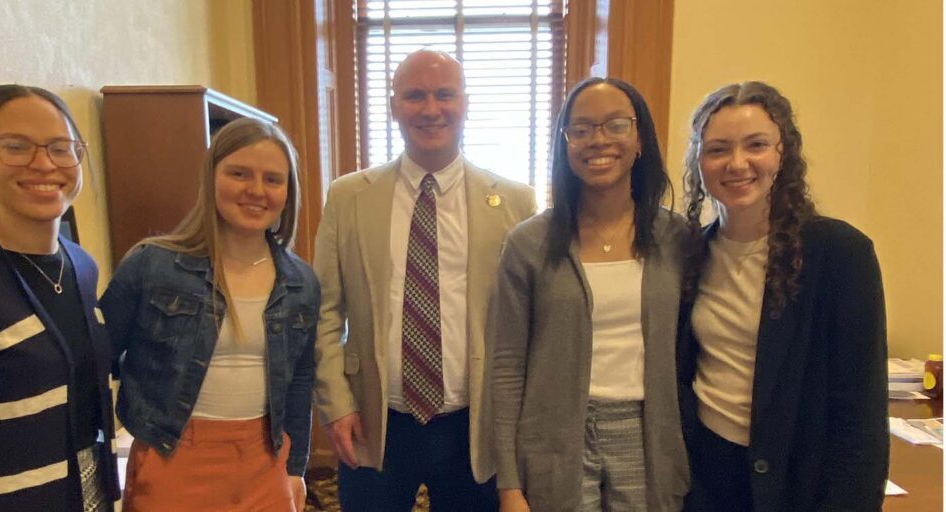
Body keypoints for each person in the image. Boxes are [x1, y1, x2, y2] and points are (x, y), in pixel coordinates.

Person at [312, 49, 537, 511]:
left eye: (444, 95)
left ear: (465, 103)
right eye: (415, 96)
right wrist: (336, 404)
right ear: (394, 106)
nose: (431, 109)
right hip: (376, 419)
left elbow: (530, 322)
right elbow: (324, 311)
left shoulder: (515, 203)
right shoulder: (349, 197)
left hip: (474, 425)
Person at [677, 81, 888, 512]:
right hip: (706, 480)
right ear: (699, 160)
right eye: (718, 149)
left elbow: (860, 421)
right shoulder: (689, 254)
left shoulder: (839, 254)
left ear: (783, 152)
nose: (737, 163)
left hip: (799, 486)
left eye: (755, 145)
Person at [488, 77, 690, 512]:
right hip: (555, 437)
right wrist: (509, 484)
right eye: (580, 129)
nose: (598, 140)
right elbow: (506, 367)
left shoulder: (677, 237)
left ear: (639, 140)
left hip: (647, 434)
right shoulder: (529, 243)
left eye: (616, 125)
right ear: (565, 144)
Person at [99, 118, 319, 512]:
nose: (256, 190)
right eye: (239, 174)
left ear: (289, 192)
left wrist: (296, 465)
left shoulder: (301, 281)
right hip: (172, 457)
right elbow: (96, 362)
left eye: (273, 179)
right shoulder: (152, 265)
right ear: (211, 176)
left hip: (266, 459)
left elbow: (300, 379)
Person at [0, 85, 120, 511]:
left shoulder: (80, 266)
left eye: (61, 148)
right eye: (15, 146)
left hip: (88, 493)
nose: (44, 163)